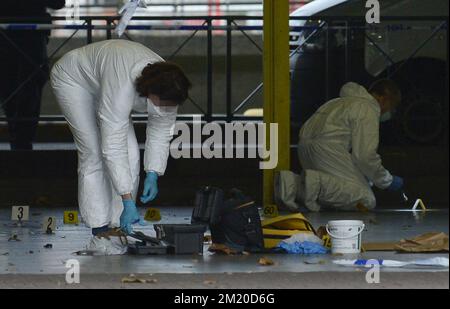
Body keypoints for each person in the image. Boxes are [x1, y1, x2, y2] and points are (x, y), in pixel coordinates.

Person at [50, 40, 191, 255]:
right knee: (94, 152)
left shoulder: (170, 84)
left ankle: (117, 228)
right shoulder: (123, 87)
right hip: (74, 80)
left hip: (105, 77)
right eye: (162, 104)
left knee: (132, 154)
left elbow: (161, 131)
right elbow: (113, 146)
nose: (166, 109)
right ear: (148, 93)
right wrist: (127, 199)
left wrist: (153, 172)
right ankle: (100, 231)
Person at [275, 80, 404, 212]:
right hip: (328, 150)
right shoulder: (368, 108)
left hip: (305, 147)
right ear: (384, 98)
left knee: (337, 184)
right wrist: (387, 180)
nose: (390, 111)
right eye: (392, 106)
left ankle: (290, 183)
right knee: (365, 200)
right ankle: (304, 188)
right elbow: (365, 156)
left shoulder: (337, 102)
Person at [0, 0, 66, 150]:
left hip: (6, 34)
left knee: (10, 92)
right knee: (29, 91)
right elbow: (58, 3)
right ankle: (22, 141)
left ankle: (18, 139)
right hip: (32, 36)